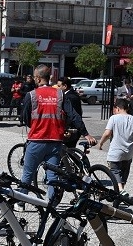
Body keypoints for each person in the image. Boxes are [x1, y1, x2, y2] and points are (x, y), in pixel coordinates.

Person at [20, 64, 90, 204]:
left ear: (39, 79)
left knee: (28, 174)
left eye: (35, 77)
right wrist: (85, 133)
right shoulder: (60, 95)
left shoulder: (31, 95)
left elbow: (25, 117)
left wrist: (35, 125)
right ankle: (51, 204)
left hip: (36, 140)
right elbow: (73, 115)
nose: (34, 79)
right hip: (55, 142)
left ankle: (20, 202)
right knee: (52, 176)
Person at [57, 77, 97, 148]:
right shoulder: (73, 94)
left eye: (59, 86)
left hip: (71, 130)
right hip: (73, 128)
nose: (57, 88)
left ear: (65, 86)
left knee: (67, 151)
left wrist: (68, 129)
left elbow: (72, 115)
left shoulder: (69, 97)